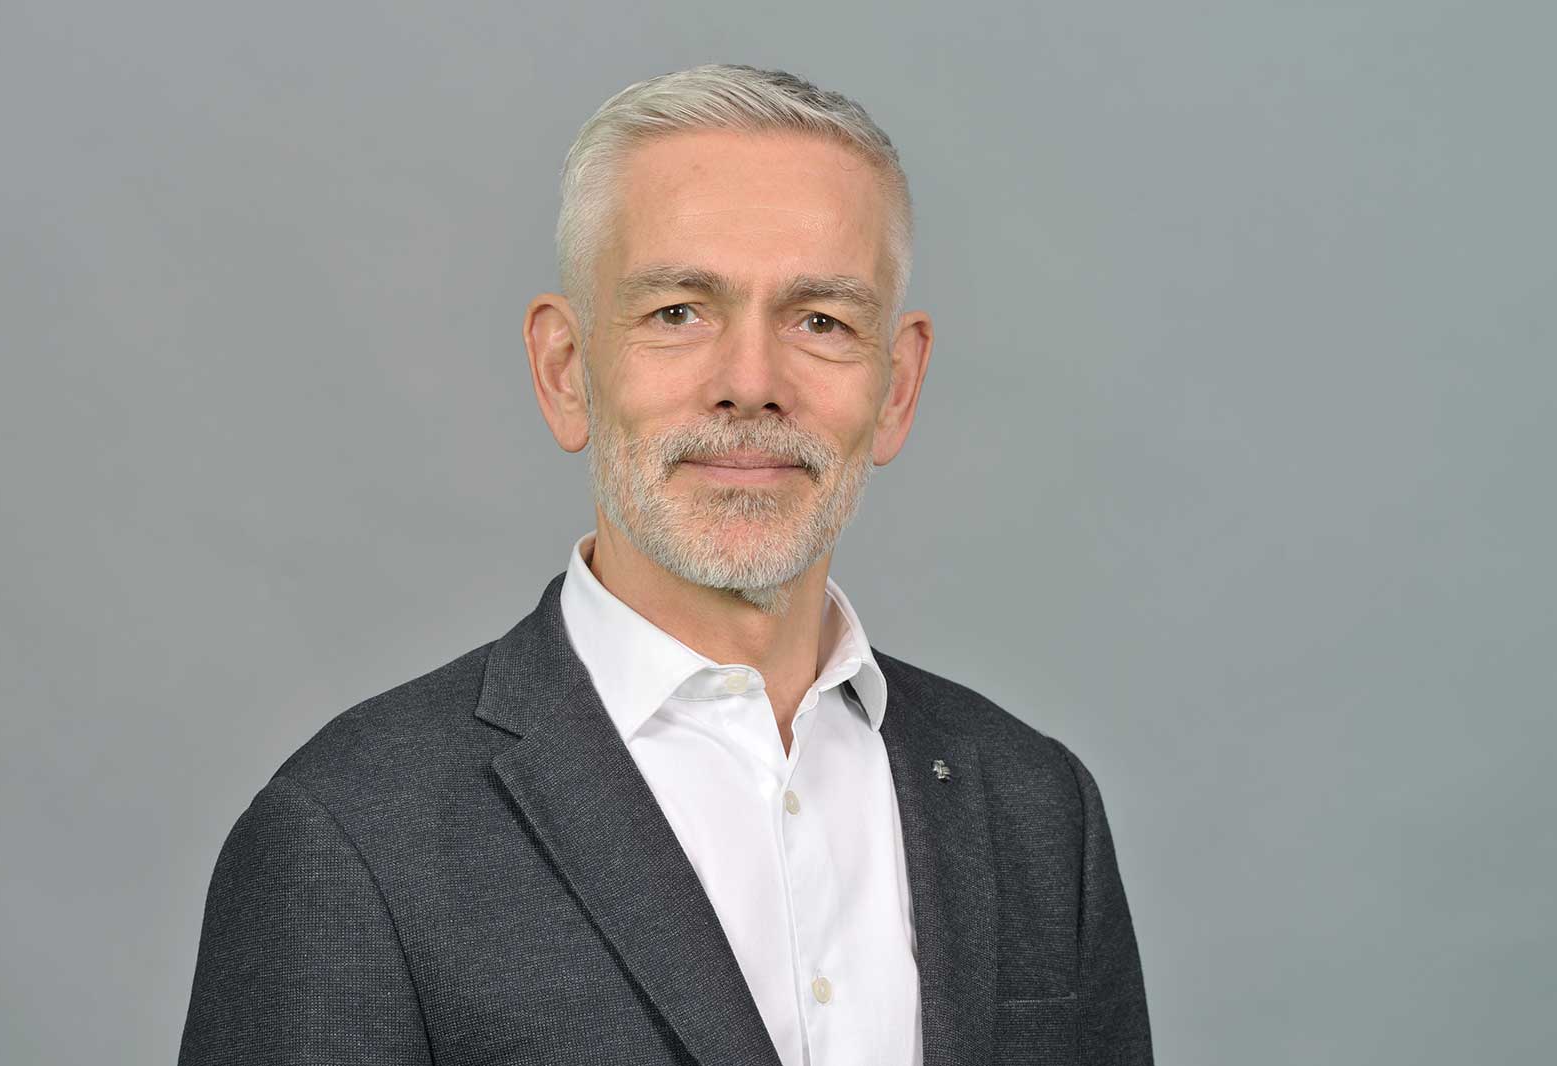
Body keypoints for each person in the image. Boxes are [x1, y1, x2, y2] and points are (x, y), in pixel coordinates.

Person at [178, 64, 1153, 1066]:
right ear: (566, 371)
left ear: (896, 388)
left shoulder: (1038, 810)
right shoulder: (349, 835)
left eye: (820, 320)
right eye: (678, 311)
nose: (750, 382)